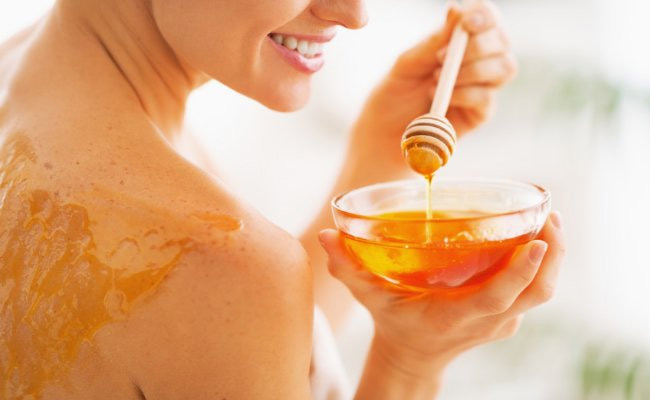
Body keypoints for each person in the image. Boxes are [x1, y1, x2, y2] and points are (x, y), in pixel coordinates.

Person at [0, 0, 565, 399]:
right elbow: (225, 296)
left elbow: (223, 338)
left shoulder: (25, 68)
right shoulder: (214, 257)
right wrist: (410, 363)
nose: (353, 13)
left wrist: (378, 155)